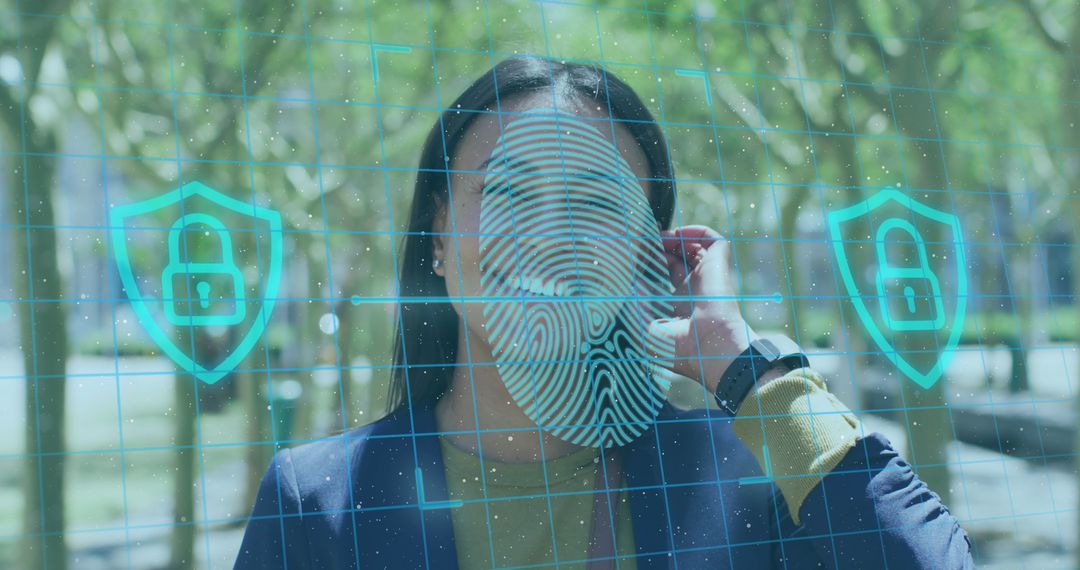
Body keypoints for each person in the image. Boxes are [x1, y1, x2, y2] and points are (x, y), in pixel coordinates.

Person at [234, 56, 974, 569]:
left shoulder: (749, 469)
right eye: (509, 190)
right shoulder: (316, 501)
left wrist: (750, 372)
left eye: (595, 202)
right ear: (436, 234)